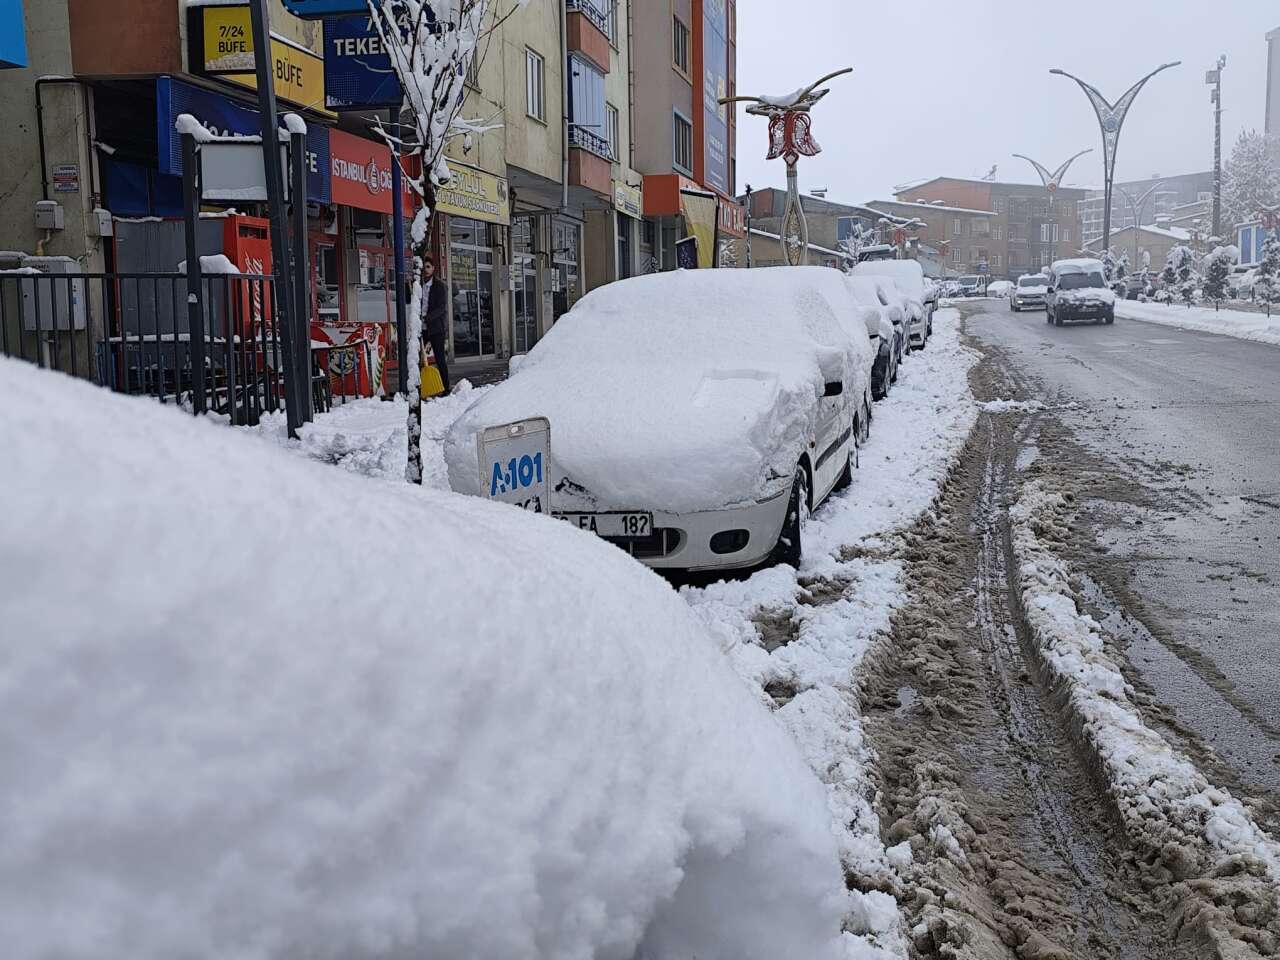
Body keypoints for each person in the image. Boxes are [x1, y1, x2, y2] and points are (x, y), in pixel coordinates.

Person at [419, 255, 450, 395]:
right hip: (422, 328)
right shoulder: (418, 284)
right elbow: (410, 300)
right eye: (423, 267)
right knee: (416, 356)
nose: (425, 270)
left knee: (439, 358)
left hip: (436, 327)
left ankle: (445, 387)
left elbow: (442, 307)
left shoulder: (440, 286)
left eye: (428, 267)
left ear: (433, 269)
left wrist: (428, 317)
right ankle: (419, 386)